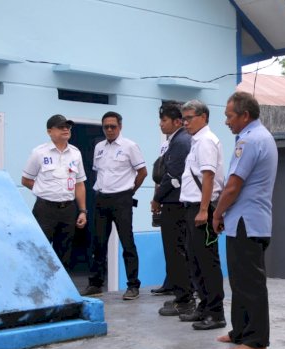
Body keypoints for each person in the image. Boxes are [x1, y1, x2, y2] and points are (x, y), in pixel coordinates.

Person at [213, 91, 278, 349]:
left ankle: (256, 340)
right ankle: (239, 330)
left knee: (249, 282)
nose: (227, 121)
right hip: (246, 220)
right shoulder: (258, 137)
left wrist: (217, 214)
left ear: (245, 115)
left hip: (246, 221)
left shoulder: (250, 141)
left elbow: (233, 186)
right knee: (239, 281)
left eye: (229, 116)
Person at [82, 111, 147, 300]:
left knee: (127, 243)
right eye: (106, 127)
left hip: (122, 199)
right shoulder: (99, 147)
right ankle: (95, 283)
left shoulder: (130, 146)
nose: (109, 130)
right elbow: (99, 173)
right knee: (98, 243)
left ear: (120, 127)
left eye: (113, 126)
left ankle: (133, 285)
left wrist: (130, 191)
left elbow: (142, 172)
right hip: (102, 198)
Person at [178, 100, 226, 330]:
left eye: (189, 118)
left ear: (204, 117)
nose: (185, 122)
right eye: (183, 118)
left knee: (207, 261)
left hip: (201, 209)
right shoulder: (196, 141)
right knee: (195, 259)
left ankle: (216, 313)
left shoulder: (206, 141)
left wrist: (204, 210)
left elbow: (208, 177)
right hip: (193, 208)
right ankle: (204, 305)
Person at [22, 114, 88, 271]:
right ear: (49, 131)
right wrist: (44, 191)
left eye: (68, 127)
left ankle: (62, 292)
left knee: (64, 253)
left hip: (68, 209)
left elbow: (79, 184)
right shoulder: (39, 152)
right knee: (40, 252)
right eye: (61, 127)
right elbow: (26, 180)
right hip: (45, 209)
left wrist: (83, 211)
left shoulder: (75, 153)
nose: (66, 129)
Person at [151, 102, 196, 316]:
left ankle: (184, 299)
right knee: (178, 251)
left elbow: (173, 175)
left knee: (176, 252)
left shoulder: (180, 141)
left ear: (177, 121)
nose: (160, 124)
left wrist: (157, 198)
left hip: (174, 204)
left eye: (164, 120)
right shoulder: (176, 140)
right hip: (175, 202)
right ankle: (182, 294)